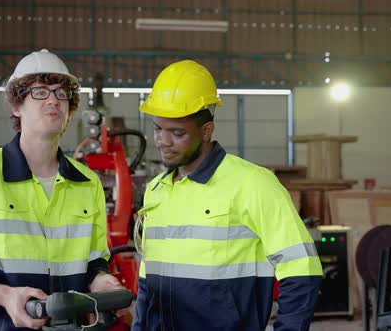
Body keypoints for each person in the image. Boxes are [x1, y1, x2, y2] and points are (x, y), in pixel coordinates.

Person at [0, 49, 123, 330]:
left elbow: (95, 259)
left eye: (61, 93)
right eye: (40, 91)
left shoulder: (87, 183)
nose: (53, 100)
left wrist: (101, 280)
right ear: (16, 106)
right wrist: (6, 296)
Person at [131, 60, 323, 331]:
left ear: (207, 130)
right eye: (158, 129)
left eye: (177, 132)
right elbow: (147, 281)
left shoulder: (254, 184)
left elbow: (302, 270)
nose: (163, 141)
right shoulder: (157, 190)